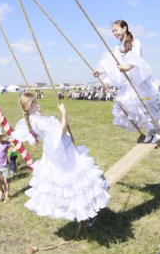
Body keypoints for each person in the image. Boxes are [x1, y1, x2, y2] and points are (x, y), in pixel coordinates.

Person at [12, 92, 110, 221]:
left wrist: (40, 113)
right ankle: (86, 211)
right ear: (29, 105)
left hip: (52, 150)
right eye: (35, 102)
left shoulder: (31, 119)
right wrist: (64, 114)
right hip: (62, 149)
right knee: (75, 178)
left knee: (66, 179)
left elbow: (42, 132)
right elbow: (60, 132)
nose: (37, 103)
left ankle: (83, 211)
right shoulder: (39, 121)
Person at [95, 20, 160, 144]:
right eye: (113, 31)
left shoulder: (135, 42)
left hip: (141, 80)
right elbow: (110, 61)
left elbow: (137, 58)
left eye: (116, 30)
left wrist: (128, 66)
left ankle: (159, 130)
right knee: (136, 108)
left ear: (124, 28)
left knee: (148, 106)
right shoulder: (118, 47)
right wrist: (100, 71)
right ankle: (150, 131)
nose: (114, 33)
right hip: (130, 84)